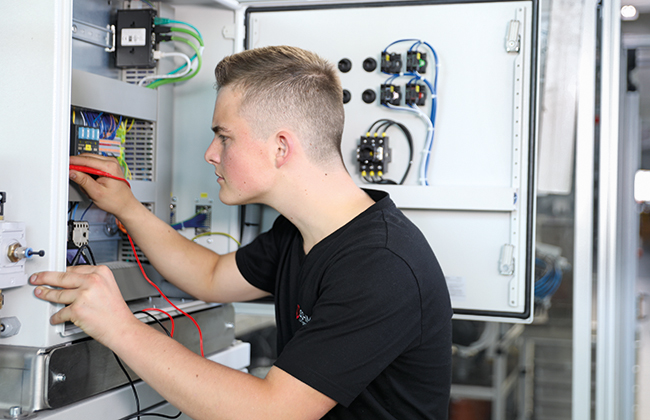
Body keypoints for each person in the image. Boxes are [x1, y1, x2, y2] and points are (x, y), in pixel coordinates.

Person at [31, 45, 452, 419]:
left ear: (281, 147)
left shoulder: (380, 265)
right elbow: (211, 276)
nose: (210, 154)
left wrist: (120, 328)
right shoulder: (300, 232)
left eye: (224, 137)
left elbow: (271, 413)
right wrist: (126, 206)